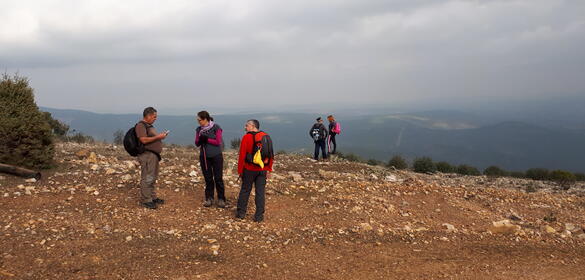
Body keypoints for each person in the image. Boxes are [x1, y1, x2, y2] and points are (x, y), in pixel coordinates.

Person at [236, 119, 274, 222]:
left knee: (245, 190)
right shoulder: (266, 136)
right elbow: (270, 154)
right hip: (262, 169)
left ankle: (240, 213)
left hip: (249, 169)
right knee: (260, 192)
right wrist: (269, 169)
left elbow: (242, 156)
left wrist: (240, 171)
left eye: (247, 125)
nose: (245, 127)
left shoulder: (246, 137)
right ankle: (259, 217)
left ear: (253, 126)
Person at [136, 107, 169, 209]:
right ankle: (146, 200)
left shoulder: (149, 126)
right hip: (147, 155)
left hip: (153, 155)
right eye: (154, 117)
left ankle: (152, 197)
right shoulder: (141, 126)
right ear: (148, 115)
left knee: (153, 176)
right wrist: (158, 137)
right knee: (147, 177)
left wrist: (159, 136)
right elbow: (143, 140)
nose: (155, 119)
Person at [195, 111, 226, 208]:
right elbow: (196, 143)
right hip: (204, 156)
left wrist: (206, 139)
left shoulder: (216, 127)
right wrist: (200, 140)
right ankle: (209, 198)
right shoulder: (199, 129)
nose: (198, 122)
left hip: (216, 156)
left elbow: (218, 141)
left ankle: (221, 198)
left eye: (199, 120)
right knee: (208, 178)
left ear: (205, 119)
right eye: (198, 120)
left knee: (218, 178)